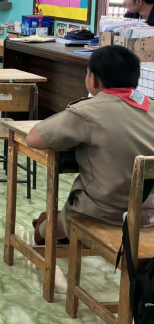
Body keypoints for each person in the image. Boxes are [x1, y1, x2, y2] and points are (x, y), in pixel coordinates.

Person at [26, 46, 154, 243]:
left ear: (93, 79)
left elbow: (33, 139)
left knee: (74, 208)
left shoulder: (87, 112)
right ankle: (49, 224)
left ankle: (42, 231)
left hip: (105, 213)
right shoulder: (151, 106)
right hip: (149, 214)